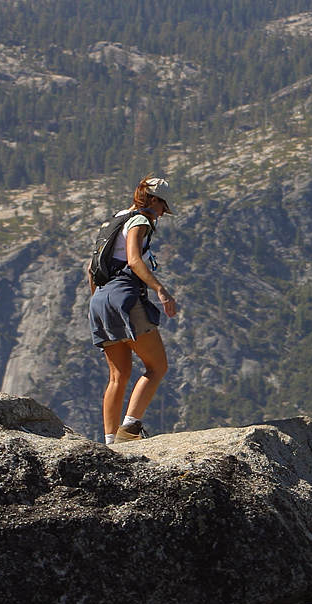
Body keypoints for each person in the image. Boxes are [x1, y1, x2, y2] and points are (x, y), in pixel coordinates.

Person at [88, 176, 178, 443]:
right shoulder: (139, 220)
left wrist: (101, 300)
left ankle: (110, 442)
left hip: (100, 299)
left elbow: (91, 268)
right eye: (163, 206)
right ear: (153, 200)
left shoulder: (113, 221)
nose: (162, 213)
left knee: (118, 375)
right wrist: (160, 290)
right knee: (157, 366)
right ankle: (130, 429)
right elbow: (134, 260)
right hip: (124, 295)